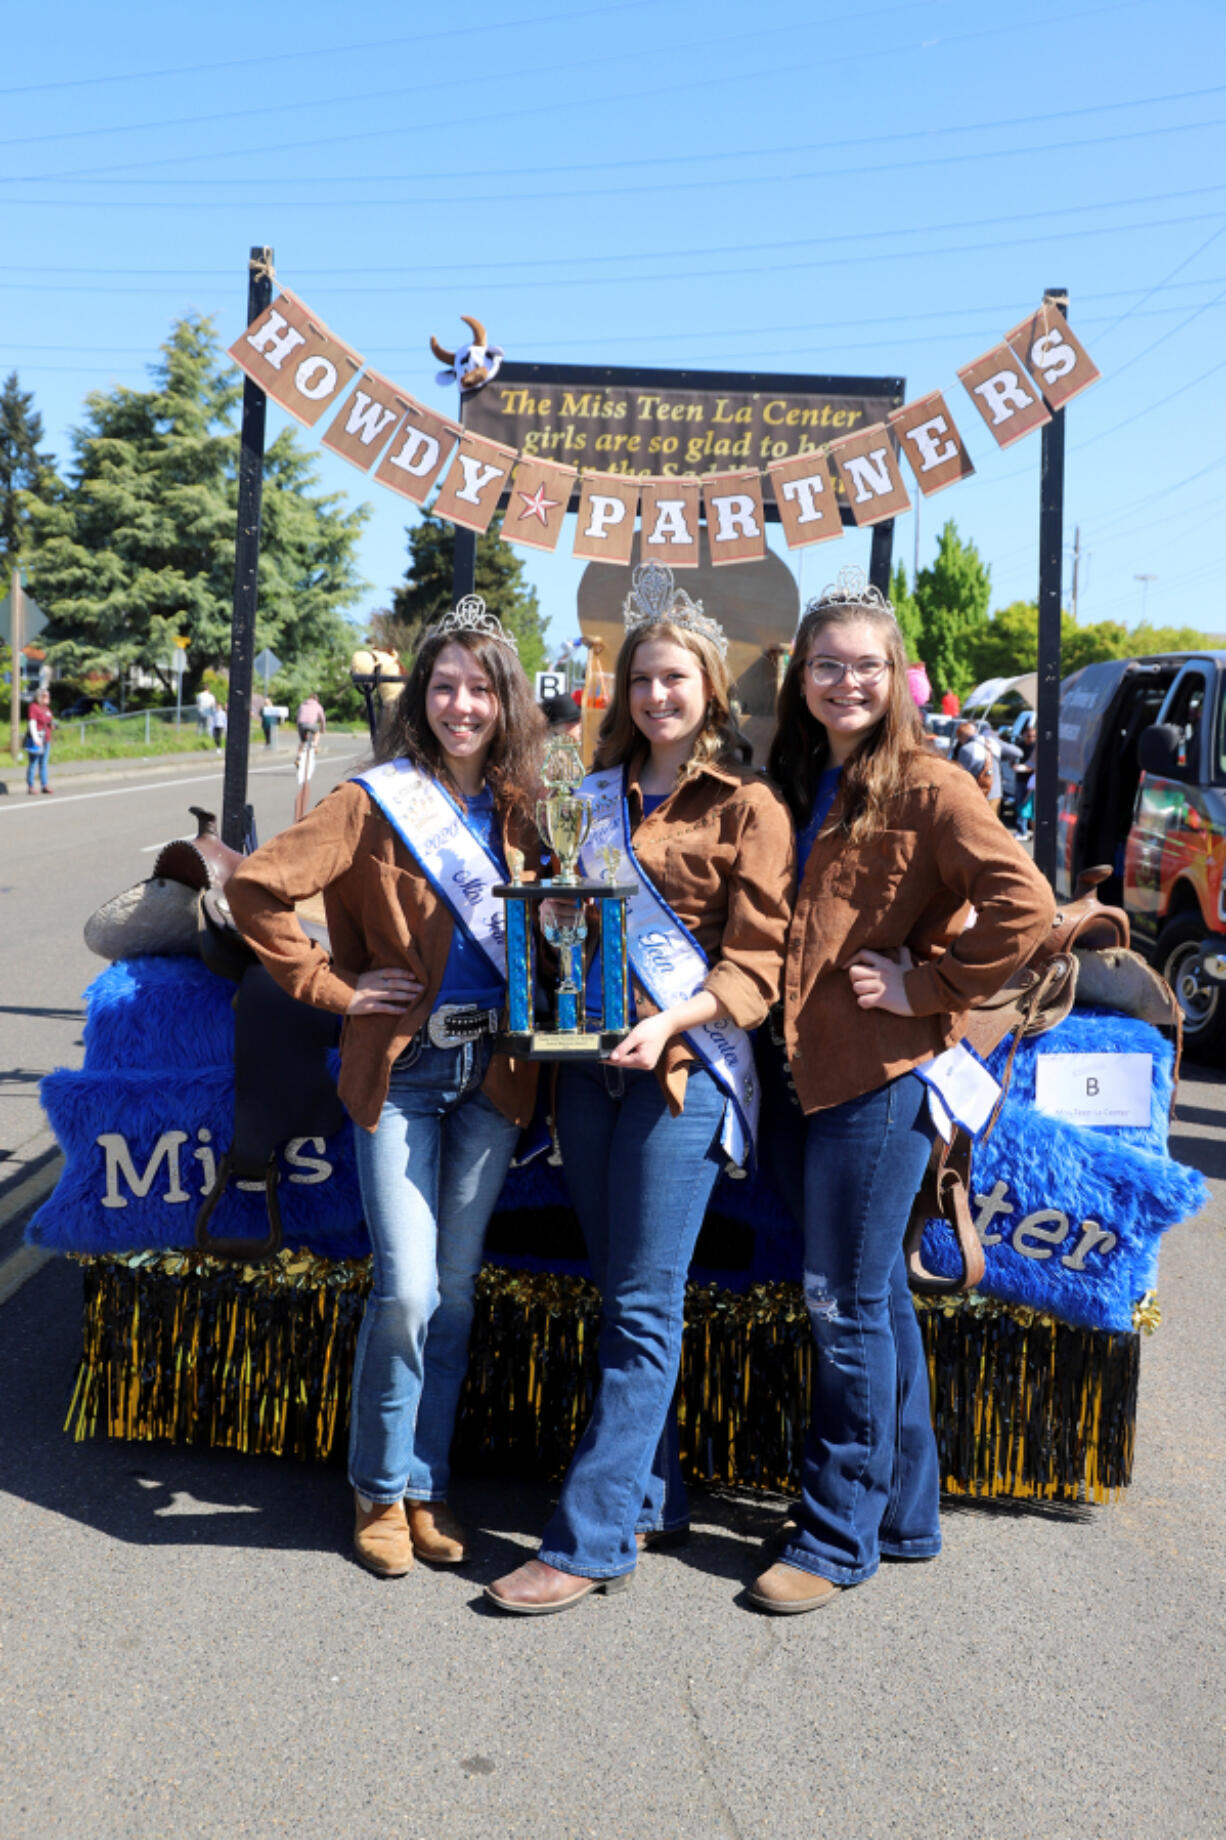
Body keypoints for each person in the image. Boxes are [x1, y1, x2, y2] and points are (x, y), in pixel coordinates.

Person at [486, 563, 795, 1615]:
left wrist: (670, 1016)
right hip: (584, 1074)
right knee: (620, 1292)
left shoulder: (747, 808)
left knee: (645, 1303)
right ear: (622, 693)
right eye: (643, 680)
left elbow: (757, 962)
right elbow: (537, 901)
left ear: (710, 690)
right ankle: (650, 1493)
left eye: (676, 679)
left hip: (679, 1075)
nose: (658, 696)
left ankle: (587, 1537)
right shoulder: (585, 797)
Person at [751, 567, 1054, 1615]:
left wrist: (926, 984)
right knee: (870, 1292)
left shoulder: (927, 784)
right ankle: (904, 1510)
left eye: (865, 665)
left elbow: (1023, 900)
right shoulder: (797, 778)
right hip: (796, 1074)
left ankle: (836, 1535)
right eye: (826, 664)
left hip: (873, 1084)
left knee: (837, 1302)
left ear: (896, 678)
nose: (845, 681)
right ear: (800, 676)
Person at [227, 599, 547, 1580]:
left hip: (493, 1073)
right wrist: (333, 985)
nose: (460, 704)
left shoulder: (526, 807)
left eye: (479, 687)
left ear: (505, 702)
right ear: (421, 696)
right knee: (405, 1289)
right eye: (443, 685)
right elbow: (255, 889)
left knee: (449, 1296)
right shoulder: (372, 803)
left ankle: (422, 1481)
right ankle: (374, 1486)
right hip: (403, 1072)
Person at [25, 688, 55, 795]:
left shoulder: (46, 709)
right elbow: (32, 724)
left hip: (46, 740)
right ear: (39, 697)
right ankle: (31, 786)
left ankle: (44, 785)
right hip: (37, 740)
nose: (48, 698)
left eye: (48, 696)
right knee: (33, 763)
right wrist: (36, 739)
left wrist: (52, 725)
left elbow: (49, 720)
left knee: (43, 764)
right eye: (45, 696)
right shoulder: (33, 707)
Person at [1015, 720, 1038, 837]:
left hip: (1033, 782)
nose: (1031, 738)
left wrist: (1027, 768)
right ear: (1024, 735)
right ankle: (1022, 830)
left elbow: (1034, 765)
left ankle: (1032, 832)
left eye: (1034, 736)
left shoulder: (1037, 746)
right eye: (1029, 736)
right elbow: (1013, 761)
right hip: (1022, 780)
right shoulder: (1019, 746)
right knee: (1023, 807)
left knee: (1031, 810)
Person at [296, 692, 326, 767]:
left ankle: (298, 758)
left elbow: (298, 717)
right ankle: (315, 746)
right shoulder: (318, 706)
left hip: (301, 725)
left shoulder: (302, 705)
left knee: (303, 741)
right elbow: (322, 719)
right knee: (317, 732)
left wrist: (298, 728)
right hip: (312, 724)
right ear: (317, 700)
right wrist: (322, 729)